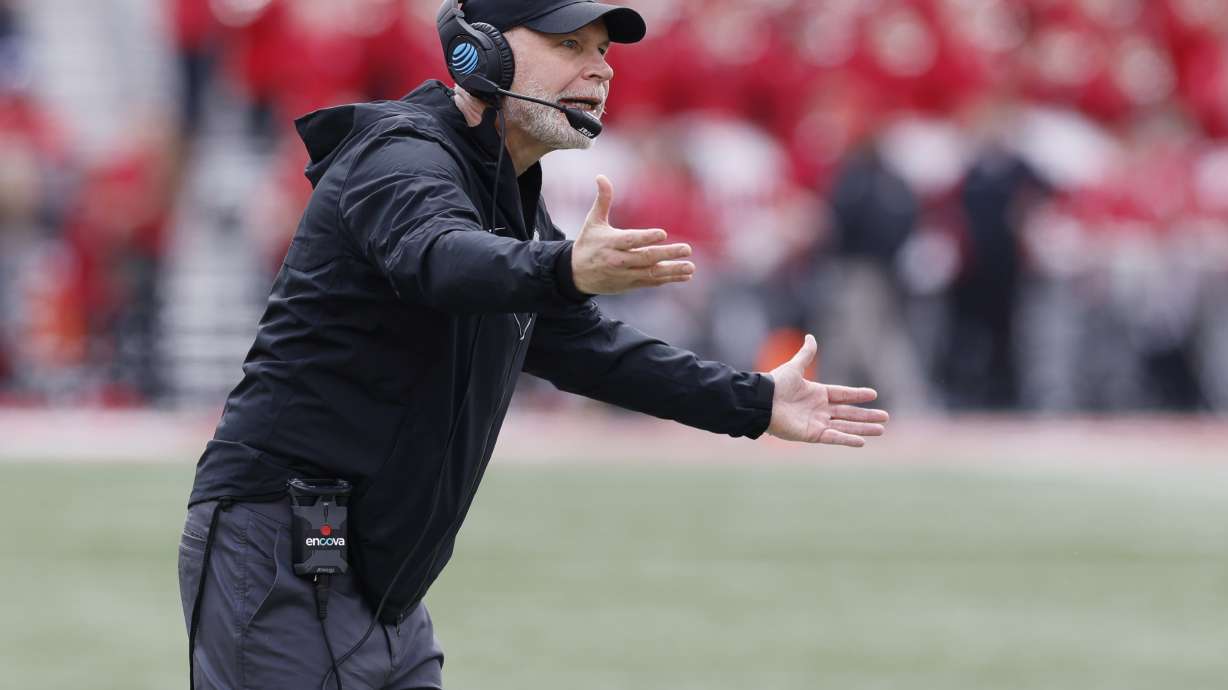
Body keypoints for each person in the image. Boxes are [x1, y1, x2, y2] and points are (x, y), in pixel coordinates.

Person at [178, 1, 890, 688]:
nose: (601, 71)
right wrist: (561, 268)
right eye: (569, 45)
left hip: (375, 578)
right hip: (283, 549)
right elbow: (441, 257)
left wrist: (755, 401)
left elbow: (589, 350)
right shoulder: (400, 154)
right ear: (476, 51)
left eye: (603, 51)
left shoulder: (508, 188)